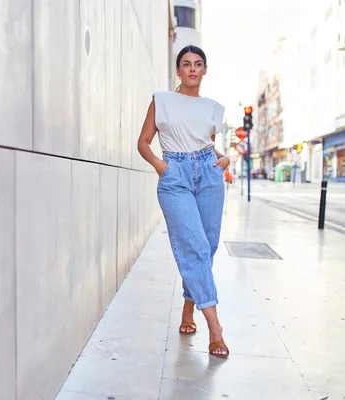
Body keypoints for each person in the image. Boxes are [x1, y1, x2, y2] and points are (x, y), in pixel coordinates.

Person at [137, 45, 230, 358]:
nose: (192, 69)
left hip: (208, 174)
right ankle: (215, 329)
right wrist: (162, 167)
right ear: (178, 70)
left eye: (198, 64)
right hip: (174, 176)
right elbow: (143, 142)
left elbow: (204, 145)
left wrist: (223, 157)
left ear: (204, 70)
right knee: (195, 247)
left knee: (209, 245)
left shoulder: (214, 108)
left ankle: (189, 308)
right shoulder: (161, 100)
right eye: (186, 64)